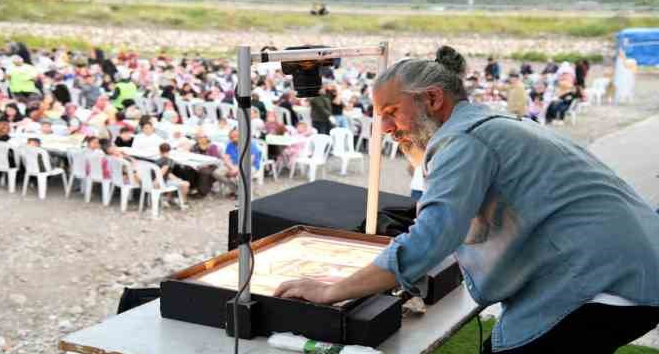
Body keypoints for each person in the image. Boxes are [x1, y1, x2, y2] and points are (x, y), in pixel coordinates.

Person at [274, 47, 659, 354]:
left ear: (433, 99)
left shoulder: (463, 140)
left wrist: (331, 290)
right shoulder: (495, 124)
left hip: (606, 283)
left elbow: (432, 238)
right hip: (635, 267)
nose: (387, 128)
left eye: (391, 113)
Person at [156, 142, 189, 208]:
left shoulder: (158, 160)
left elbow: (167, 173)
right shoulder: (169, 161)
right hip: (162, 182)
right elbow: (163, 172)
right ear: (169, 151)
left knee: (176, 181)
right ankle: (183, 202)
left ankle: (167, 199)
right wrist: (156, 181)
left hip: (161, 180)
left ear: (160, 150)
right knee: (186, 184)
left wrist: (177, 179)